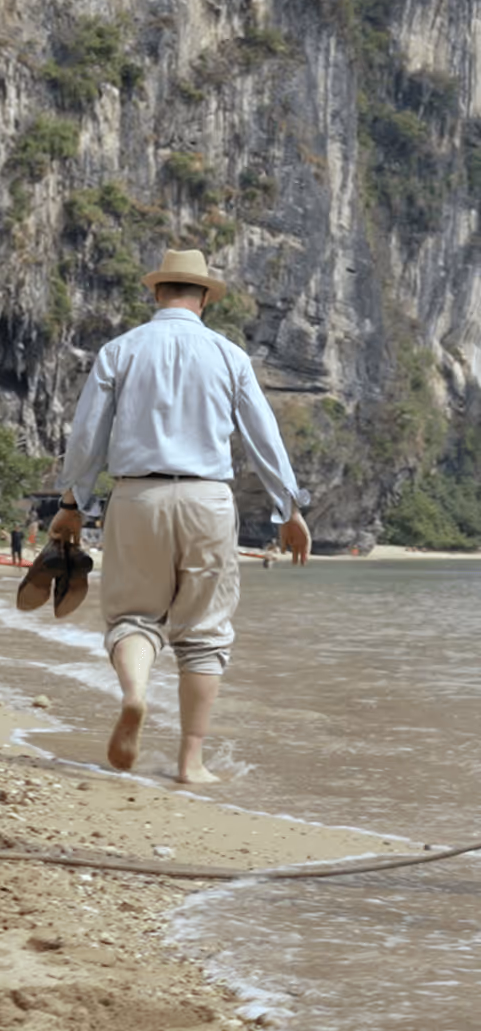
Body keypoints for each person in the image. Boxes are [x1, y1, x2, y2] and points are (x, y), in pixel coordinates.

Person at [49, 248, 311, 785]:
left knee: (133, 618)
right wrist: (288, 508)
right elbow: (264, 436)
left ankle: (135, 694)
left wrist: (72, 505)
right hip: (206, 500)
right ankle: (192, 763)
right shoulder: (229, 355)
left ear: (156, 292)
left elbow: (87, 438)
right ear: (206, 299)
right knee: (205, 634)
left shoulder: (120, 350)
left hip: (136, 496)